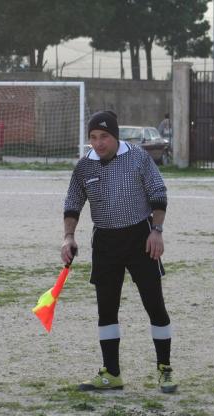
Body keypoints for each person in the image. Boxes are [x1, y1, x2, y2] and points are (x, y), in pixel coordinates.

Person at [61, 110, 176, 393]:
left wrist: (156, 231)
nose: (98, 143)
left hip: (141, 238)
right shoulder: (84, 166)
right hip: (105, 242)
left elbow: (158, 193)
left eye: (104, 136)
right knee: (107, 309)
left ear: (115, 136)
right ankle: (111, 373)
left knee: (155, 305)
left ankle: (165, 369)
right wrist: (68, 237)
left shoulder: (138, 157)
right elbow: (73, 202)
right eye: (93, 137)